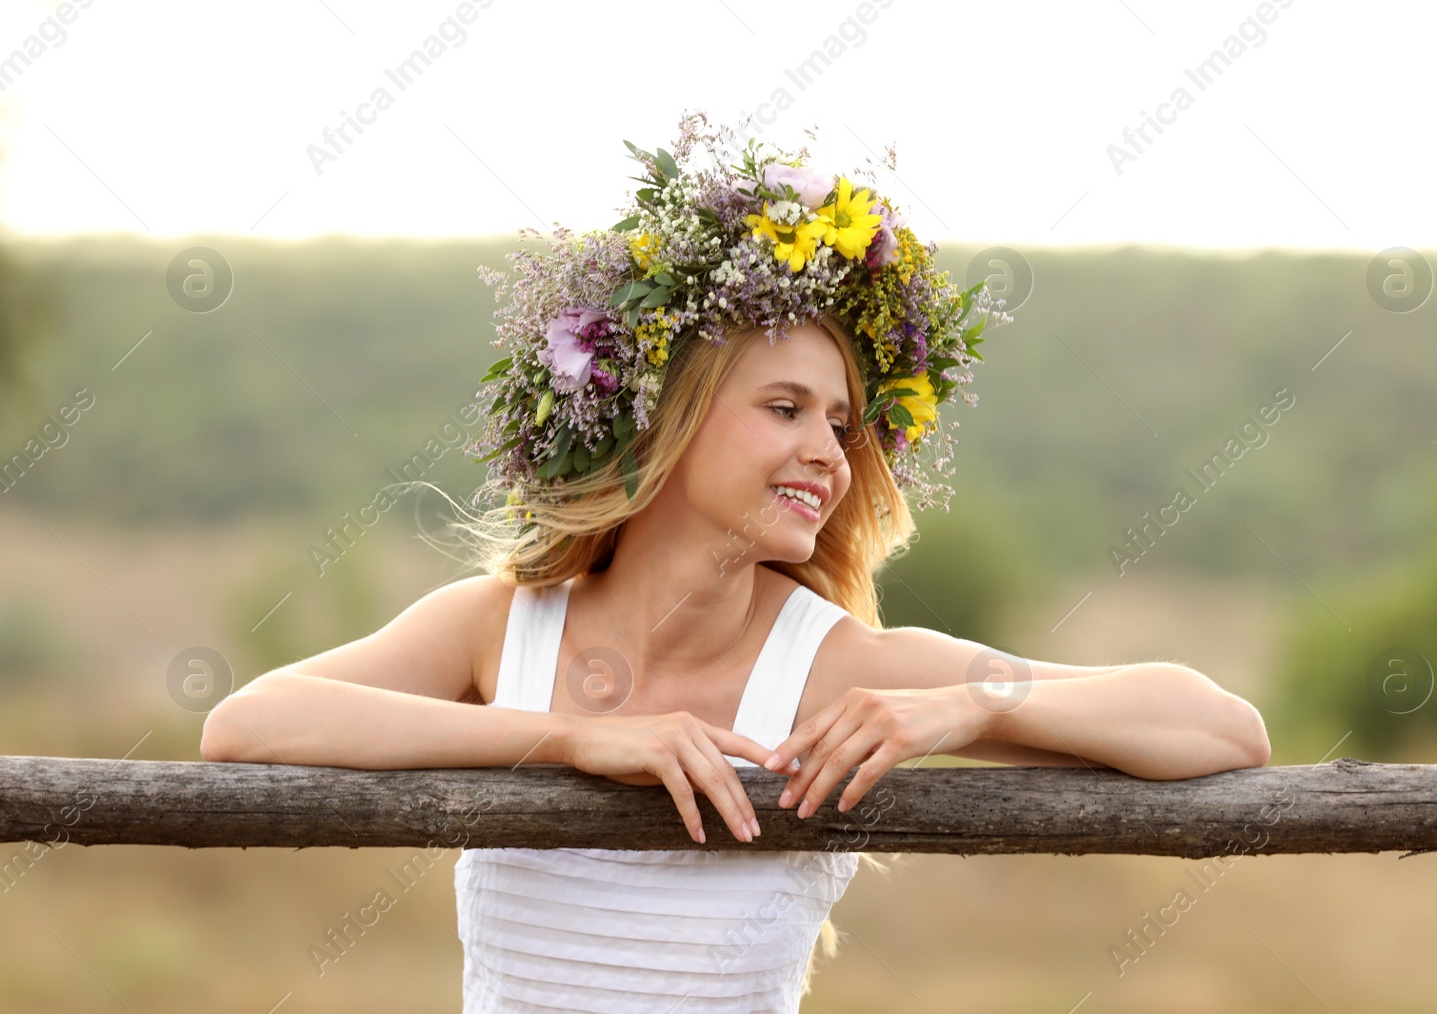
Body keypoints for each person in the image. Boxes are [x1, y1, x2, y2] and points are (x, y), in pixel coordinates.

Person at [199, 111, 1272, 1013]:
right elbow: (244, 728)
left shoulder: (835, 665)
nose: (828, 451)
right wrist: (575, 737)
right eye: (784, 407)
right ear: (674, 414)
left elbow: (1223, 728)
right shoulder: (499, 626)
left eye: (843, 423)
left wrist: (973, 707)